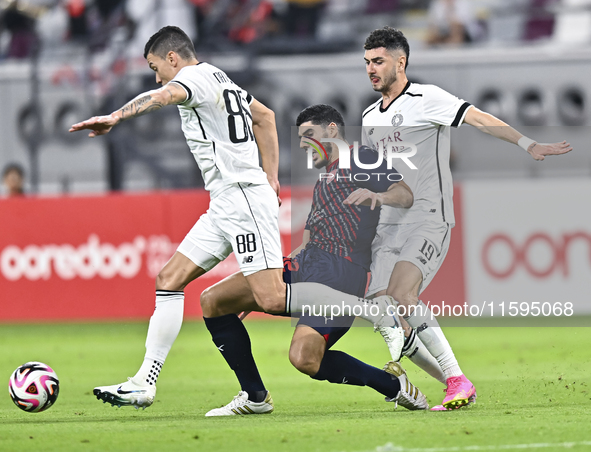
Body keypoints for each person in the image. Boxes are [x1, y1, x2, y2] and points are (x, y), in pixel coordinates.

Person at [69, 26, 399, 409]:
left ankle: (371, 311)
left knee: (272, 297)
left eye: (155, 65)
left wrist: (115, 116)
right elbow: (265, 116)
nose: (156, 75)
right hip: (225, 201)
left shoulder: (190, 78)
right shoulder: (221, 79)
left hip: (242, 197)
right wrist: (272, 176)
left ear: (173, 58)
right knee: (169, 279)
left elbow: (164, 94)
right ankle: (148, 382)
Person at [359, 27, 572, 411]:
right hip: (389, 224)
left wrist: (528, 143)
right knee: (381, 309)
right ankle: (455, 382)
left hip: (428, 217)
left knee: (404, 295)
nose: (371, 69)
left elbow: (479, 118)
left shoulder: (427, 98)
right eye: (367, 62)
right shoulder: (370, 116)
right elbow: (377, 174)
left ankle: (456, 380)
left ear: (400, 61)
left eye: (378, 61)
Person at [199, 104, 428, 416]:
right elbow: (305, 244)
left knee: (301, 356)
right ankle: (393, 386)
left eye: (310, 135)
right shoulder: (326, 178)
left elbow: (404, 194)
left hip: (341, 272)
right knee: (222, 305)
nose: (304, 144)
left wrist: (378, 196)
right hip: (310, 265)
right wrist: (261, 291)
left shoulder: (360, 158)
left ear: (332, 130)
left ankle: (254, 397)